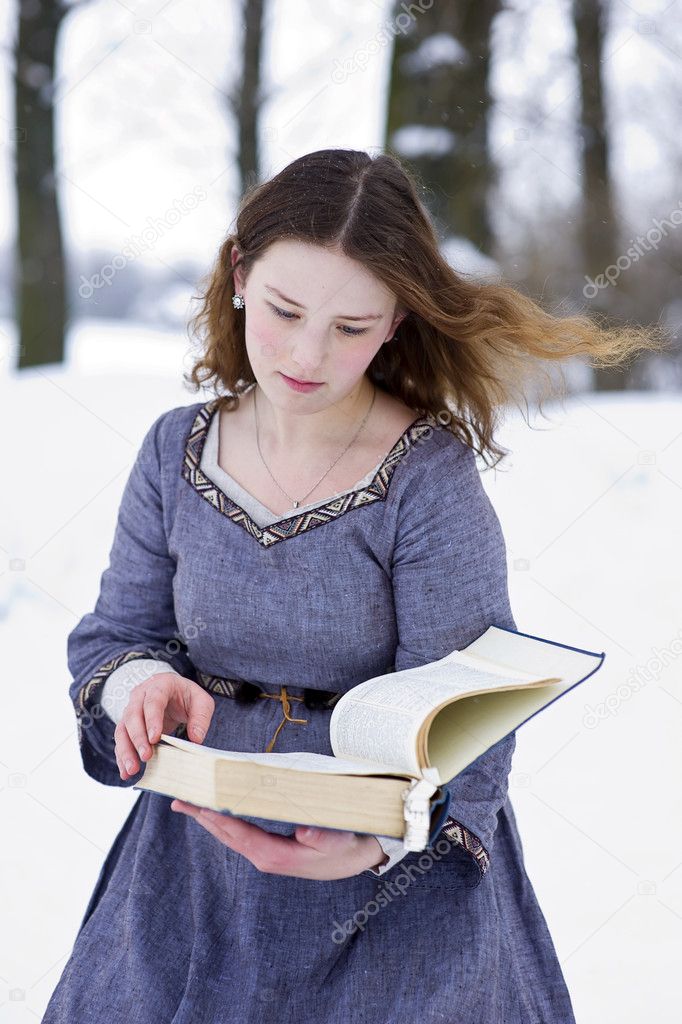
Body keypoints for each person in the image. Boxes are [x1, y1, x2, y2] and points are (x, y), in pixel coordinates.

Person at [42, 148, 660, 1023]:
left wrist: (372, 844)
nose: (305, 353)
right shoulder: (172, 453)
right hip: (189, 880)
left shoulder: (426, 475)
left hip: (393, 900)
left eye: (350, 327)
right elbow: (114, 638)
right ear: (239, 273)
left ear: (398, 321)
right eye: (286, 310)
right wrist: (143, 688)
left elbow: (471, 716)